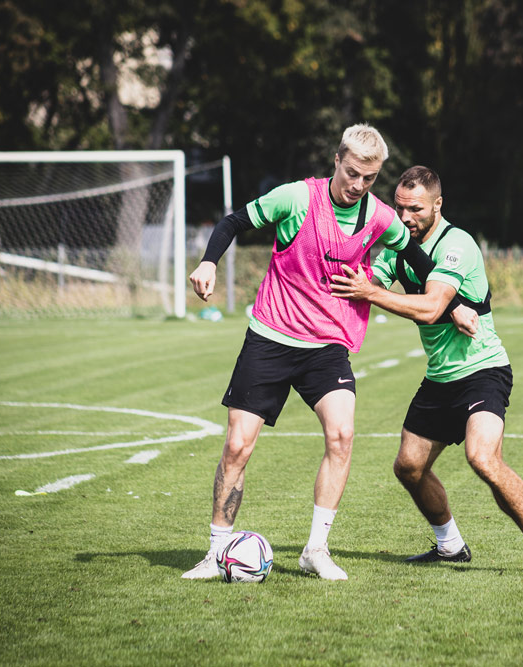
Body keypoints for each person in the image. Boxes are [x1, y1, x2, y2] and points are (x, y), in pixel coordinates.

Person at [184, 125, 477, 581]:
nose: (359, 185)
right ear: (337, 161)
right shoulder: (297, 198)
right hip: (271, 336)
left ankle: (315, 550)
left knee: (342, 435)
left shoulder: (378, 216)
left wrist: (454, 306)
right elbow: (233, 222)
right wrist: (208, 262)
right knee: (238, 445)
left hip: (326, 346)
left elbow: (416, 257)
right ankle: (215, 550)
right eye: (353, 173)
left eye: (370, 178)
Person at [331, 165, 523, 575]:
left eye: (416, 209)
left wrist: (371, 292)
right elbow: (367, 285)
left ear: (437, 205)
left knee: (483, 458)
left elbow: (429, 308)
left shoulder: (457, 244)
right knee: (409, 467)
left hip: (483, 371)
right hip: (440, 378)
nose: (405, 218)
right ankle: (451, 546)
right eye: (400, 208)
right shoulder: (398, 248)